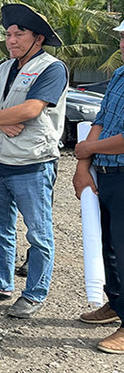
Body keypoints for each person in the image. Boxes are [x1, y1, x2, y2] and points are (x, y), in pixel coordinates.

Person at [0, 4, 68, 319]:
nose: (11, 40)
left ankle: (34, 294)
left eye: (19, 34)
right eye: (8, 34)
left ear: (38, 38)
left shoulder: (52, 68)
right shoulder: (3, 68)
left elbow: (30, 110)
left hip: (31, 163)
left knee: (38, 233)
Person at [73, 18, 124, 353]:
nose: (123, 44)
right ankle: (117, 303)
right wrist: (82, 165)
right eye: (122, 38)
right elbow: (102, 120)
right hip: (106, 173)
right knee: (109, 247)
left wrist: (87, 149)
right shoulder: (119, 74)